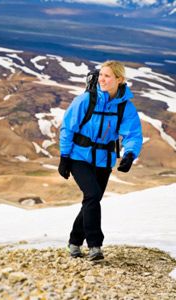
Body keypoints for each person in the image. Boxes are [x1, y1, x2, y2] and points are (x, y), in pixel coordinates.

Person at [58, 60, 143, 260]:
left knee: (92, 199)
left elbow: (133, 134)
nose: (102, 79)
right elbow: (67, 128)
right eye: (101, 75)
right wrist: (64, 158)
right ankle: (95, 245)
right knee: (93, 194)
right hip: (78, 157)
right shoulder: (86, 100)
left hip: (104, 160)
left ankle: (74, 242)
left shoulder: (125, 107)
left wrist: (130, 154)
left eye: (107, 76)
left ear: (119, 80)